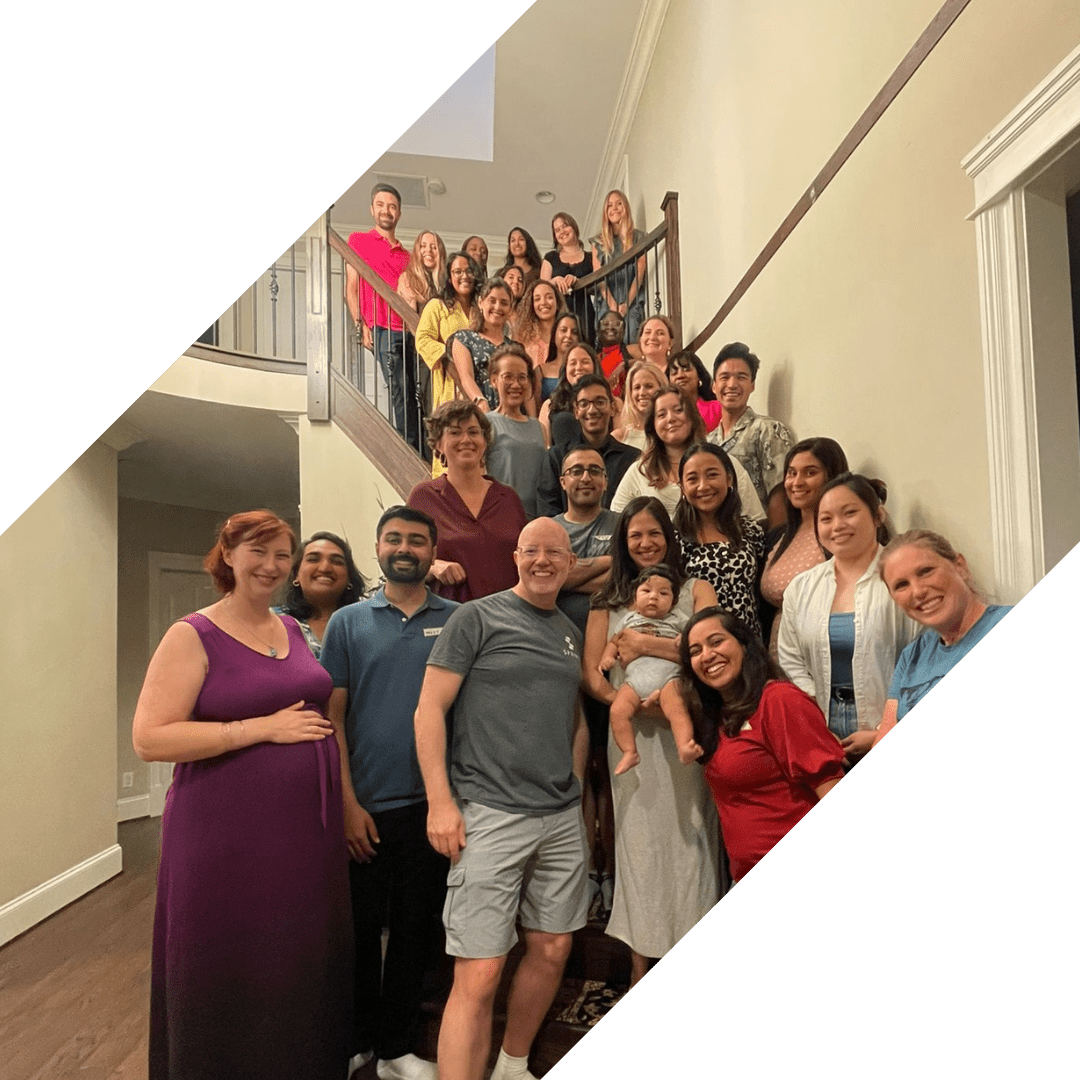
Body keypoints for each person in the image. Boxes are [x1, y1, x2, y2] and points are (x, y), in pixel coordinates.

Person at [133, 510, 351, 1080]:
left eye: (283, 554)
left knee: (293, 958)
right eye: (259, 551)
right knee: (229, 954)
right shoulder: (192, 633)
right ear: (227, 554)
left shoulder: (292, 627)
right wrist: (257, 729)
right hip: (224, 830)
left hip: (305, 832)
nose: (272, 565)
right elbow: (149, 738)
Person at [414, 517, 589, 1080]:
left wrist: (577, 785)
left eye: (554, 552)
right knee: (481, 972)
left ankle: (512, 1066)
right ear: (516, 557)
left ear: (569, 562)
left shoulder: (568, 629)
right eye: (532, 551)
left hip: (560, 816)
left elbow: (575, 717)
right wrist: (441, 803)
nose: (543, 560)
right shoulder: (476, 617)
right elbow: (429, 711)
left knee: (554, 948)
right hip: (488, 811)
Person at [321, 507, 454, 1080]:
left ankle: (398, 1046)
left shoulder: (458, 618)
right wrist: (348, 804)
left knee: (413, 932)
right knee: (356, 935)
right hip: (365, 809)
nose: (405, 548)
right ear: (377, 548)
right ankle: (358, 1040)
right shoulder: (347, 623)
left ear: (432, 552)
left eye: (417, 540)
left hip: (430, 807)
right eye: (394, 539)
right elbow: (332, 718)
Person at [583, 498, 719, 986]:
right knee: (639, 848)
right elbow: (593, 674)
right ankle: (642, 969)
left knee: (694, 839)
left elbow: (716, 647)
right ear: (623, 541)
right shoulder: (608, 598)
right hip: (633, 739)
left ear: (669, 536)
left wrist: (648, 646)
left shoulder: (696, 589)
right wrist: (632, 704)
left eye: (654, 533)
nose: (645, 542)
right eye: (635, 534)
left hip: (684, 732)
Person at [681, 608, 846, 884]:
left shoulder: (779, 700)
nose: (706, 655)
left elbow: (829, 784)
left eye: (716, 641)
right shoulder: (716, 716)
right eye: (695, 651)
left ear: (744, 645)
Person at [778, 474, 920, 764]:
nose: (837, 526)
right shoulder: (801, 587)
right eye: (826, 518)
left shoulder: (904, 580)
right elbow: (791, 660)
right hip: (824, 731)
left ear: (878, 515)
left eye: (850, 513)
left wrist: (884, 730)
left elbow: (924, 661)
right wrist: (815, 723)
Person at [551, 447, 619, 918]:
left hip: (615, 665)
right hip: (558, 664)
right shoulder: (549, 530)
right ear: (562, 480)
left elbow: (626, 573)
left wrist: (573, 572)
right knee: (575, 771)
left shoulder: (621, 523)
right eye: (576, 470)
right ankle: (580, 871)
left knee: (610, 771)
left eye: (595, 469)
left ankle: (611, 872)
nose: (586, 477)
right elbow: (546, 579)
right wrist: (602, 570)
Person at [875, 530, 1012, 742]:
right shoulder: (912, 655)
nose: (918, 591)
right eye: (901, 585)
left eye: (926, 571)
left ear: (960, 567)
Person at [408, 400, 527, 603]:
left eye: (473, 432)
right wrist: (434, 567)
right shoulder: (423, 497)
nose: (466, 439)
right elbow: (406, 560)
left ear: (484, 441)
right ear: (438, 443)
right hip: (450, 620)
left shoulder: (508, 498)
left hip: (508, 619)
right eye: (455, 432)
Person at [600, 565, 701, 774]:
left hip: (669, 679)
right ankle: (629, 752)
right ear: (635, 597)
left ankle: (684, 745)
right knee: (618, 711)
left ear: (673, 601)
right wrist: (607, 657)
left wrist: (685, 637)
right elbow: (614, 641)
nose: (653, 597)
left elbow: (694, 636)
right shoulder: (628, 619)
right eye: (646, 591)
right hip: (635, 680)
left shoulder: (678, 619)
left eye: (663, 593)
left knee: (677, 710)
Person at [611, 388, 765, 522]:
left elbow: (755, 520)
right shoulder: (639, 472)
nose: (671, 418)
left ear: (692, 416)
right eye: (661, 415)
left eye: (678, 410)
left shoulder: (725, 463)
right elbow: (616, 524)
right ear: (653, 426)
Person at [760, 438, 850, 659]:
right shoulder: (781, 536)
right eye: (791, 473)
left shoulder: (842, 536)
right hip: (780, 660)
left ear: (832, 477)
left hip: (825, 658)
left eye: (810, 473)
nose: (797, 482)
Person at [346, 184, 418, 449]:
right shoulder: (358, 241)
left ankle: (421, 446)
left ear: (398, 214)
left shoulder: (408, 256)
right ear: (371, 210)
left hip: (409, 330)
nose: (386, 210)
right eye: (381, 205)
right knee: (399, 388)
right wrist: (359, 325)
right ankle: (410, 449)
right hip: (381, 327)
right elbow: (351, 288)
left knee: (415, 391)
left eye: (392, 206)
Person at [675, 442, 767, 639]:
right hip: (701, 647)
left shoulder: (751, 530)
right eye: (692, 479)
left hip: (749, 643)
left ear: (729, 478)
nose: (703, 486)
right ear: (682, 487)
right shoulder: (674, 538)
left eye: (712, 474)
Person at [535, 374, 639, 517]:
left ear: (613, 408)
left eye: (600, 402)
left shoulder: (632, 459)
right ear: (576, 411)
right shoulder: (556, 458)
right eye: (584, 404)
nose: (592, 410)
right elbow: (547, 513)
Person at [708, 342, 795, 507]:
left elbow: (780, 494)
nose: (732, 384)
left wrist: (775, 533)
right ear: (714, 385)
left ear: (752, 385)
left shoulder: (768, 430)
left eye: (741, 377)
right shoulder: (707, 442)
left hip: (760, 530)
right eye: (724, 377)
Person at [275, 531, 369, 658]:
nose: (325, 568)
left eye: (337, 562)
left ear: (349, 578)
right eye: (313, 559)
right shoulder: (274, 621)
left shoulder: (369, 622)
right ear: (296, 575)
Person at [415, 251, 480, 424]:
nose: (464, 276)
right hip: (450, 381)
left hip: (481, 381)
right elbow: (422, 339)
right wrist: (452, 354)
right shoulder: (437, 305)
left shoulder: (481, 307)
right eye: (458, 272)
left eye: (468, 271)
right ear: (450, 278)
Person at [485, 343, 548, 518]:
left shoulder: (539, 427)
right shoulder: (486, 424)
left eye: (522, 377)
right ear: (494, 380)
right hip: (500, 518)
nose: (516, 384)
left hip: (535, 520)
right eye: (508, 377)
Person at [590, 190, 647, 345]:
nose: (614, 208)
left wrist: (627, 303)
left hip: (631, 299)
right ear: (605, 212)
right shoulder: (598, 242)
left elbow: (640, 274)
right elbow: (598, 276)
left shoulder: (639, 237)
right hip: (607, 300)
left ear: (626, 207)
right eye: (609, 205)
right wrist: (612, 304)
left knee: (630, 342)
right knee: (605, 346)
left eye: (619, 203)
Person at [450, 276, 515, 412]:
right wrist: (480, 402)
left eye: (504, 303)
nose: (498, 307)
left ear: (510, 308)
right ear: (481, 302)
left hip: (512, 415)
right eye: (492, 301)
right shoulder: (465, 338)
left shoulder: (515, 348)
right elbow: (466, 376)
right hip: (480, 414)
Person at [541, 211, 596, 341]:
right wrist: (554, 281)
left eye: (565, 226)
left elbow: (599, 287)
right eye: (557, 230)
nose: (562, 231)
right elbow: (541, 288)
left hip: (585, 315)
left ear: (574, 227)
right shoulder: (551, 257)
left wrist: (579, 282)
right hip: (558, 314)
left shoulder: (590, 257)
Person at [539, 340, 600, 445]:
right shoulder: (549, 405)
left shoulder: (614, 404)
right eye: (573, 363)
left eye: (585, 362)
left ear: (594, 366)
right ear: (565, 369)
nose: (579, 367)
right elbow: (545, 448)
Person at [612, 360, 667, 450]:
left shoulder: (671, 434)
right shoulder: (618, 438)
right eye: (637, 387)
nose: (642, 393)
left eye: (649, 386)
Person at [534, 311, 581, 412]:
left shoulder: (584, 368)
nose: (568, 335)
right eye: (563, 330)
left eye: (574, 332)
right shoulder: (541, 370)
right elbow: (535, 408)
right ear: (554, 334)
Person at [514, 278, 564, 371]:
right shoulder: (523, 341)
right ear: (531, 305)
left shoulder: (567, 337)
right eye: (537, 299)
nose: (543, 303)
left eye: (549, 297)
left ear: (558, 303)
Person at [668, 349, 720, 432]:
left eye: (686, 370)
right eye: (674, 372)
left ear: (699, 375)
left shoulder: (716, 409)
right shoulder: (666, 415)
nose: (680, 375)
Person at [397, 231, 447, 313]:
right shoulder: (407, 278)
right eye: (423, 246)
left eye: (434, 247)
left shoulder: (446, 283)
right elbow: (408, 316)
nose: (428, 250)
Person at [595, 310, 636, 399]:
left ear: (623, 330)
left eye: (617, 324)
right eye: (605, 324)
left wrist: (624, 365)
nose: (611, 327)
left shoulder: (632, 351)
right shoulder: (594, 359)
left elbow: (647, 363)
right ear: (598, 330)